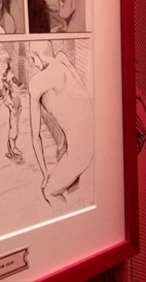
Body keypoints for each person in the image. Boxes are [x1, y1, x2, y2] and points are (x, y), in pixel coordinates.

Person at [27, 41, 93, 205]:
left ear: (37, 56)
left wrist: (45, 174)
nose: (33, 63)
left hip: (81, 149)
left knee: (49, 191)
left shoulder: (37, 82)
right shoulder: (63, 60)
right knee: (74, 192)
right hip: (92, 139)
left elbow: (35, 136)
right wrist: (64, 140)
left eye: (32, 58)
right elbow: (81, 102)